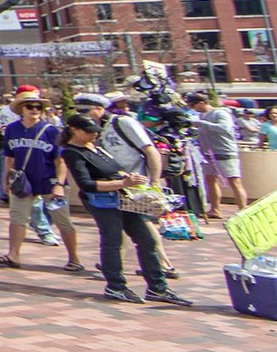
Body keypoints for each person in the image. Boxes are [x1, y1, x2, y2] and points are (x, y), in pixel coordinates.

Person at [59, 112, 191, 306]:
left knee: (146, 240)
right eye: (88, 132)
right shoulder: (72, 152)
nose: (93, 135)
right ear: (74, 130)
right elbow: (86, 184)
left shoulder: (95, 148)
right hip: (102, 201)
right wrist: (122, 182)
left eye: (95, 131)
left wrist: (132, 181)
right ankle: (116, 286)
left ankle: (157, 287)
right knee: (112, 241)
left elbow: (114, 169)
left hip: (124, 198)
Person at [79, 91, 176, 280]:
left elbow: (151, 151)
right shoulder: (95, 130)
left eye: (85, 110)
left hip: (136, 184)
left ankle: (163, 264)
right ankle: (115, 263)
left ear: (100, 108)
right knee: (119, 224)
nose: (81, 114)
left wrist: (154, 183)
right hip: (115, 184)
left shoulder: (122, 123)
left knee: (143, 225)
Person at [0, 90, 81, 270]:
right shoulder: (12, 129)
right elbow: (9, 157)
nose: (34, 109)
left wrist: (60, 184)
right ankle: (13, 255)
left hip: (49, 181)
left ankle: (74, 259)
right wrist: (5, 180)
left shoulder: (51, 130)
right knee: (17, 217)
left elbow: (60, 160)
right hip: (23, 181)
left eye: (38, 106)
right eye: (30, 106)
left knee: (62, 220)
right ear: (21, 109)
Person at [186, 89, 246, 219]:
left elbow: (225, 128)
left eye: (192, 105)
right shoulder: (202, 116)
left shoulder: (220, 113)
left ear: (201, 103)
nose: (192, 109)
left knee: (234, 181)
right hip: (208, 153)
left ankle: (243, 211)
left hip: (225, 151)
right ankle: (215, 209)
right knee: (210, 180)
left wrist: (201, 124)